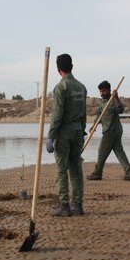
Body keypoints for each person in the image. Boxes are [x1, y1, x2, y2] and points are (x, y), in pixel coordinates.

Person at [46, 54, 87, 217]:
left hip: (65, 133)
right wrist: (82, 131)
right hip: (78, 130)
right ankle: (77, 205)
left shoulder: (61, 87)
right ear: (72, 67)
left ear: (58, 70)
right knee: (76, 169)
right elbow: (84, 113)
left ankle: (64, 206)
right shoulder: (81, 87)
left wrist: (51, 137)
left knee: (62, 169)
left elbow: (57, 114)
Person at [87, 80, 130, 181]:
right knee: (119, 151)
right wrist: (94, 125)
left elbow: (121, 110)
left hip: (112, 131)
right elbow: (99, 115)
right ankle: (129, 172)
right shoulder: (102, 103)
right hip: (112, 131)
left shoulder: (113, 101)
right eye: (100, 91)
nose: (102, 93)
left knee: (101, 152)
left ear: (109, 90)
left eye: (104, 91)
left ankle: (97, 173)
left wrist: (116, 97)